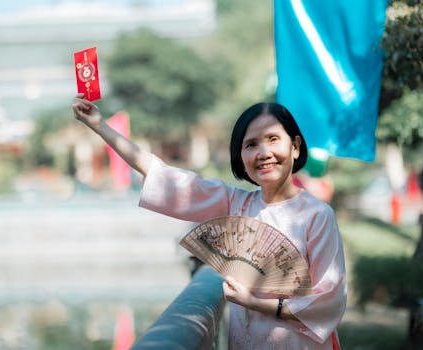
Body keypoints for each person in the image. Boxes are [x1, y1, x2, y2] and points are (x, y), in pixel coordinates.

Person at [72, 94, 347, 350]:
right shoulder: (235, 204)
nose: (263, 152)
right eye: (251, 144)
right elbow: (164, 176)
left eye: (273, 139)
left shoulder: (317, 215)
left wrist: (254, 303)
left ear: (296, 147)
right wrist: (100, 126)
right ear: (240, 156)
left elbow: (328, 300)